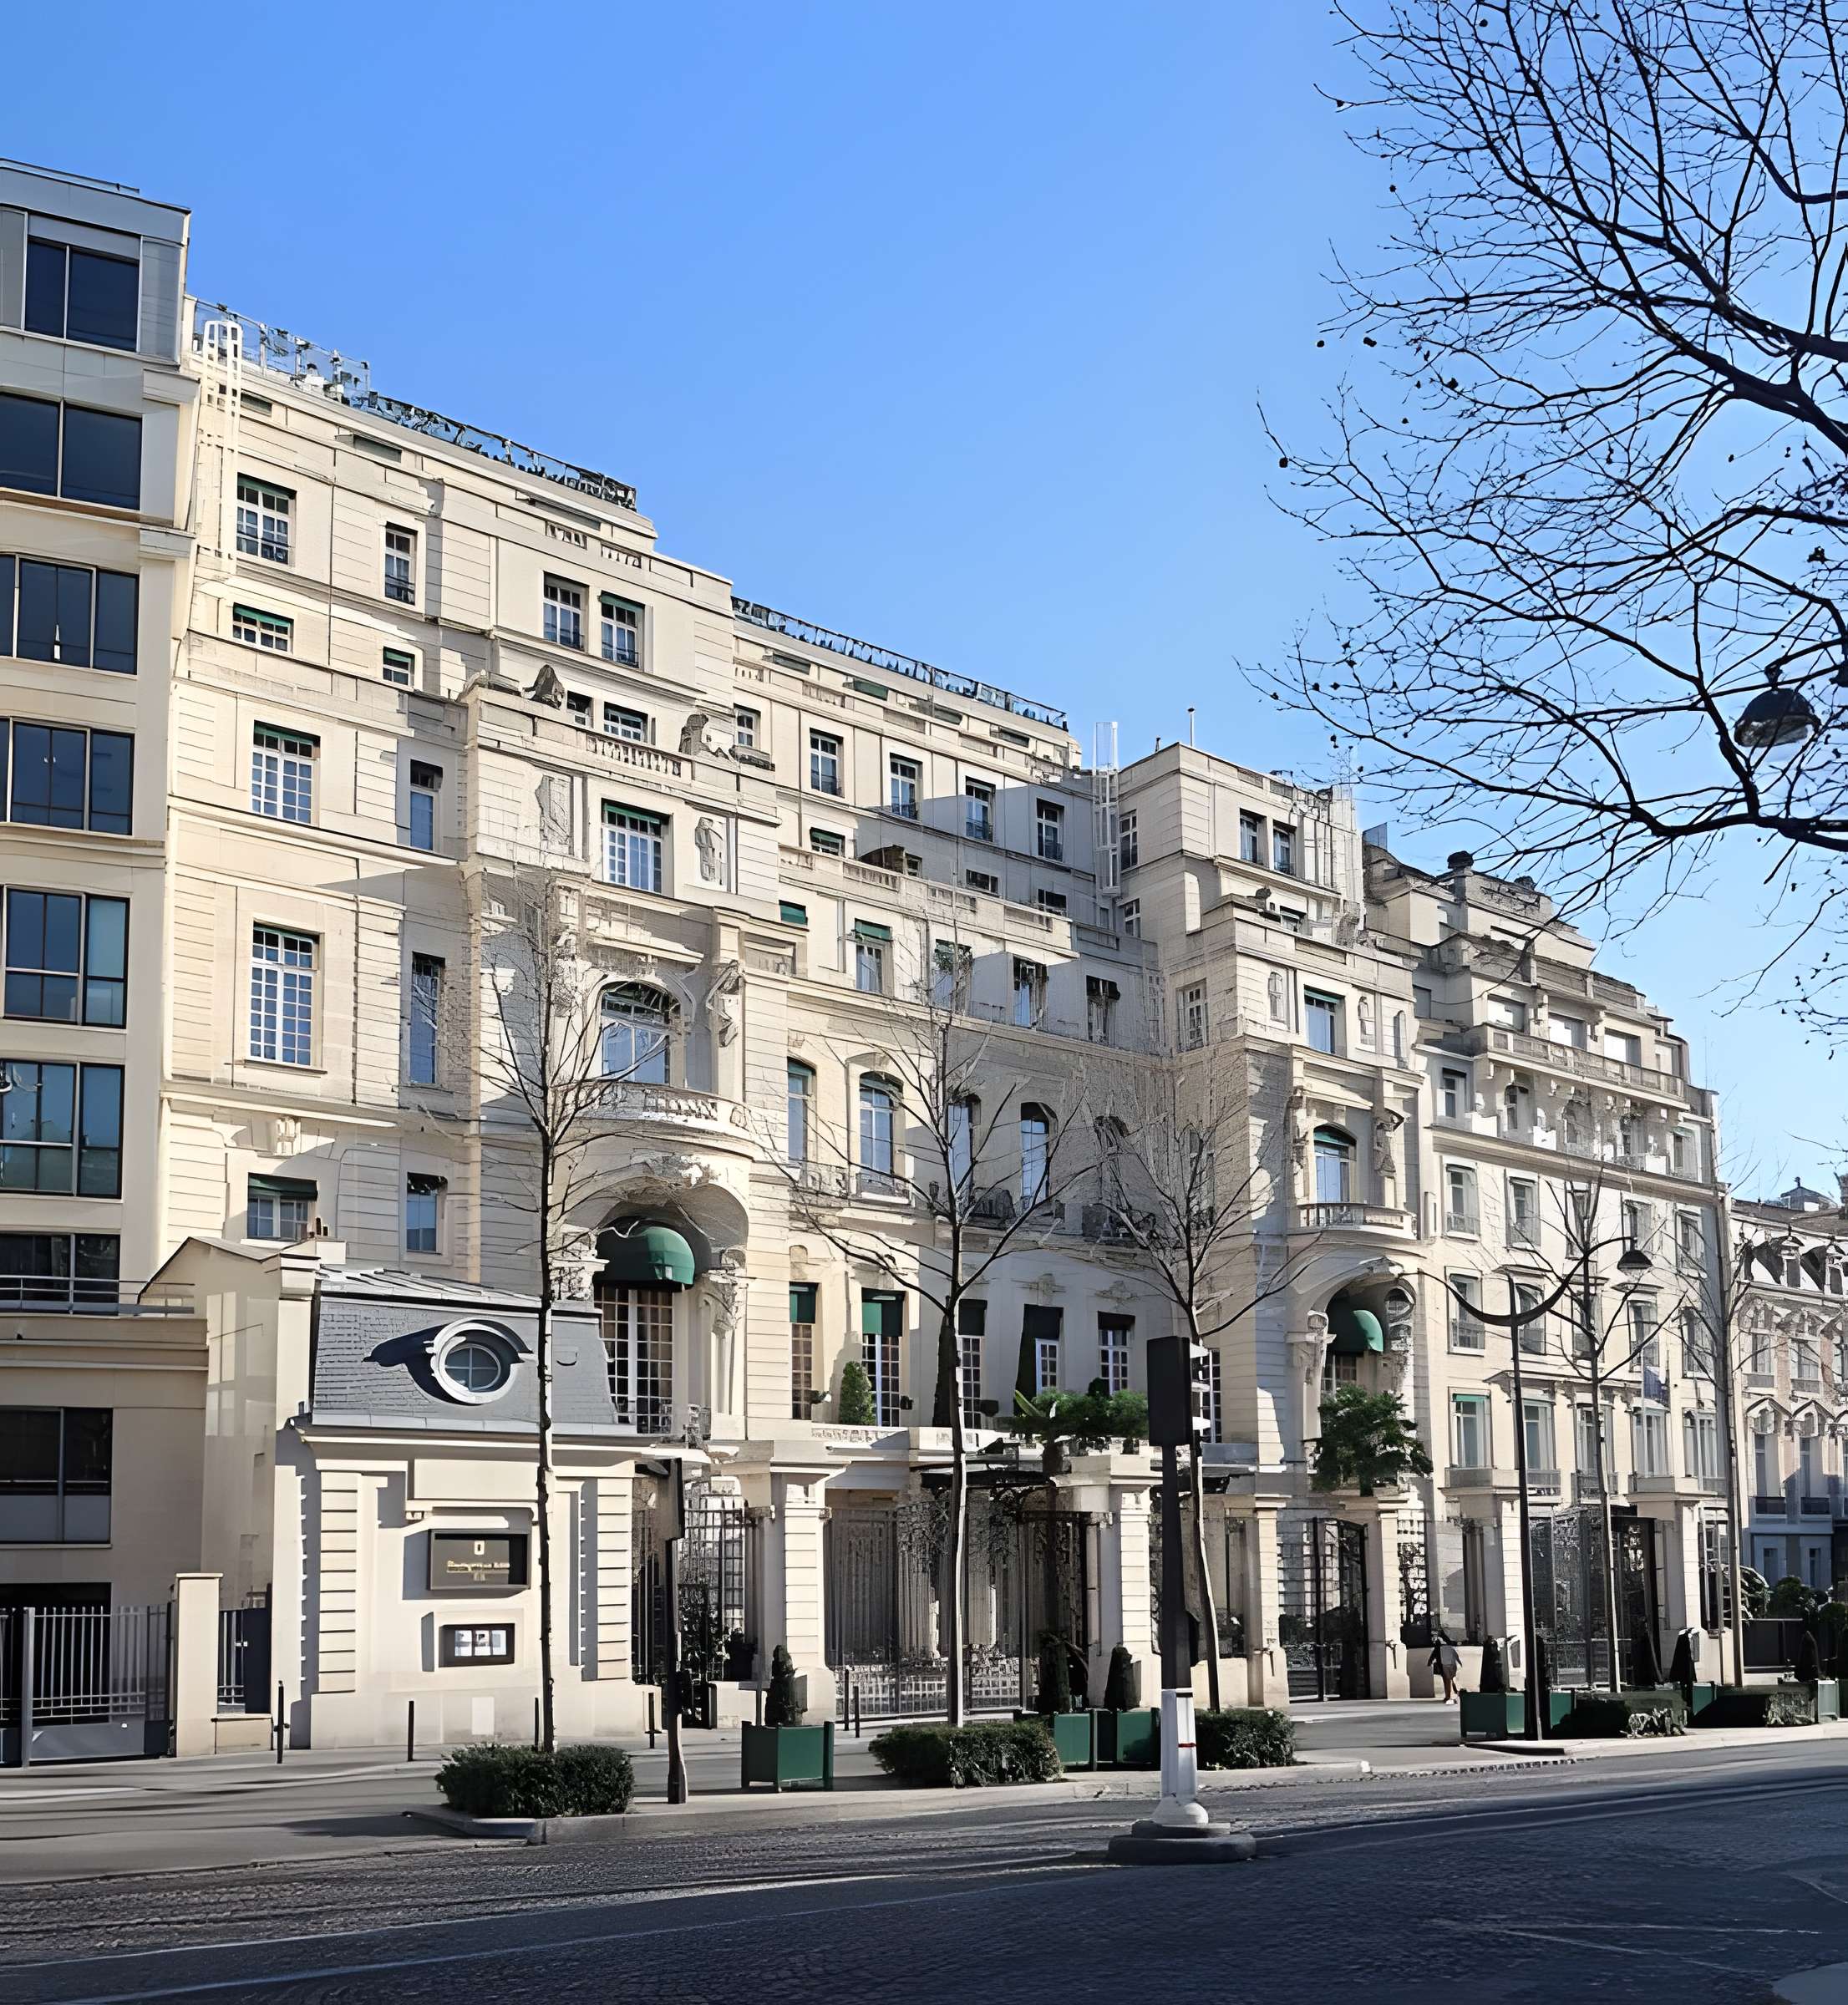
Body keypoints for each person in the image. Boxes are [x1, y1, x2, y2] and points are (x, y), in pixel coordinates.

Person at [1429, 1630, 1461, 1702]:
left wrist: (1430, 1660)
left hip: (1443, 1663)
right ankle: (1452, 1694)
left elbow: (1435, 1652)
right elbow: (1454, 1653)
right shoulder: (1448, 1643)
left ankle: (1449, 1695)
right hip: (1449, 1663)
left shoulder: (1439, 1642)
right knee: (1450, 1679)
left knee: (1447, 1680)